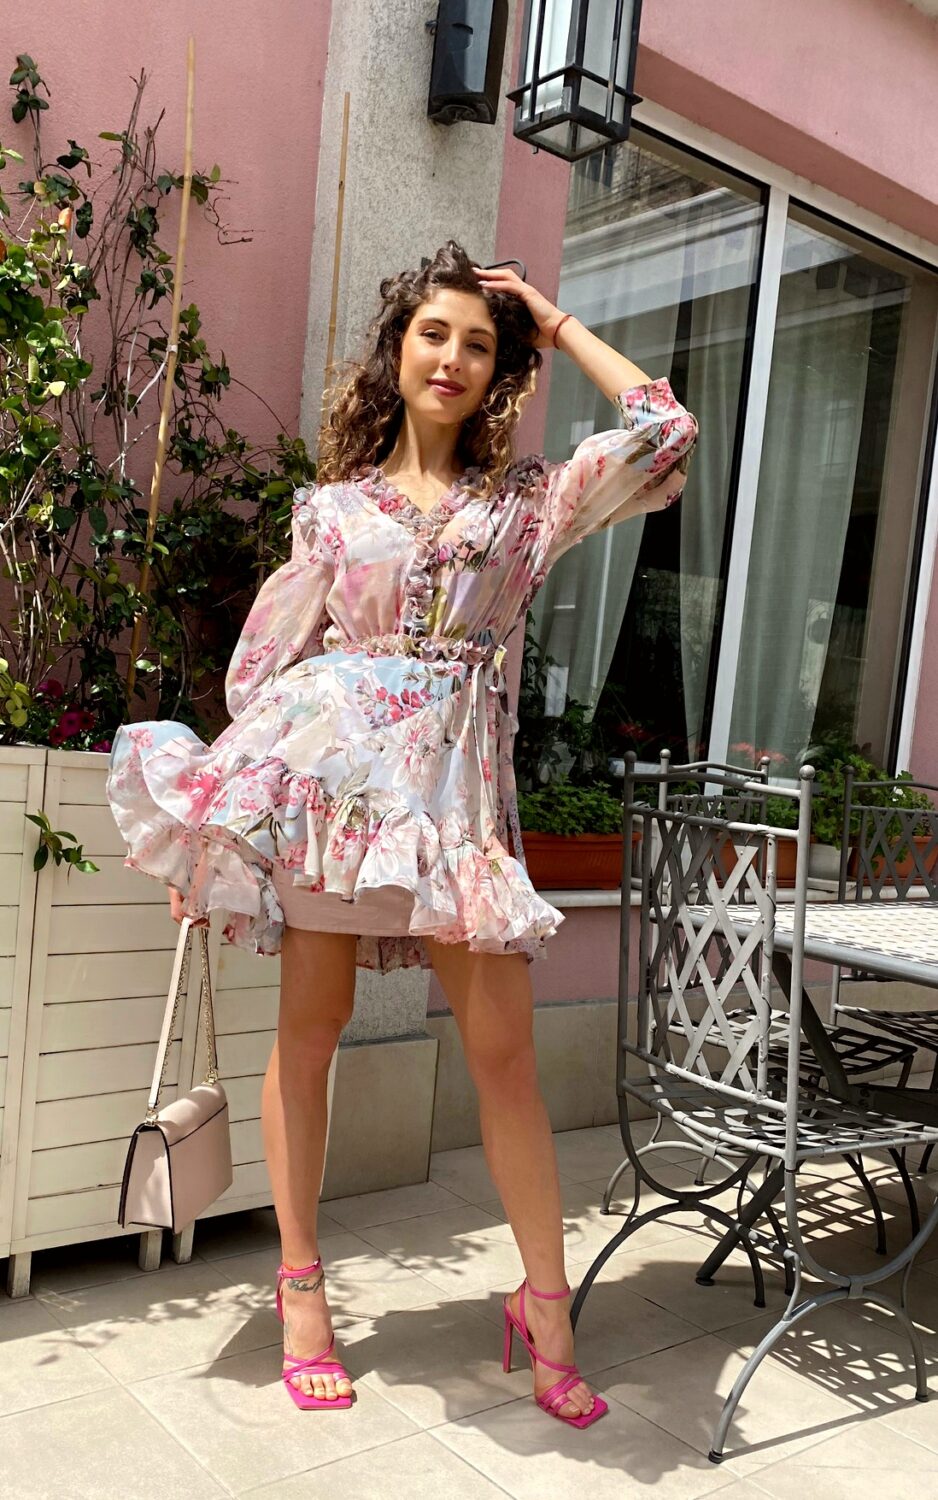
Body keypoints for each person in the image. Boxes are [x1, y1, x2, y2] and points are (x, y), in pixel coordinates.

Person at [106, 240, 698, 1425]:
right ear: (398, 349)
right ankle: (301, 1289)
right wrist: (222, 838)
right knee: (310, 1034)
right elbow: (265, 677)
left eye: (478, 344)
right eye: (434, 334)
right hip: (331, 814)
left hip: (459, 818)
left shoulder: (526, 504)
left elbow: (663, 431)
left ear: (497, 371)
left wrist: (551, 321)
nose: (453, 358)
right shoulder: (331, 513)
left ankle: (542, 1306)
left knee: (503, 1058)